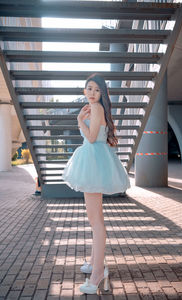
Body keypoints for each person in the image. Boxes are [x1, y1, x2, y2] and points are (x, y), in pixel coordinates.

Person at [62, 73, 130, 294]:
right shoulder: (94, 108)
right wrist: (83, 120)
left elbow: (91, 138)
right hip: (94, 161)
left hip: (93, 161)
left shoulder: (97, 108)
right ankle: (94, 263)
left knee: (95, 220)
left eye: (96, 90)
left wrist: (79, 121)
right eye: (89, 88)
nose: (92, 93)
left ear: (102, 93)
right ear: (84, 90)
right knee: (96, 218)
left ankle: (98, 273)